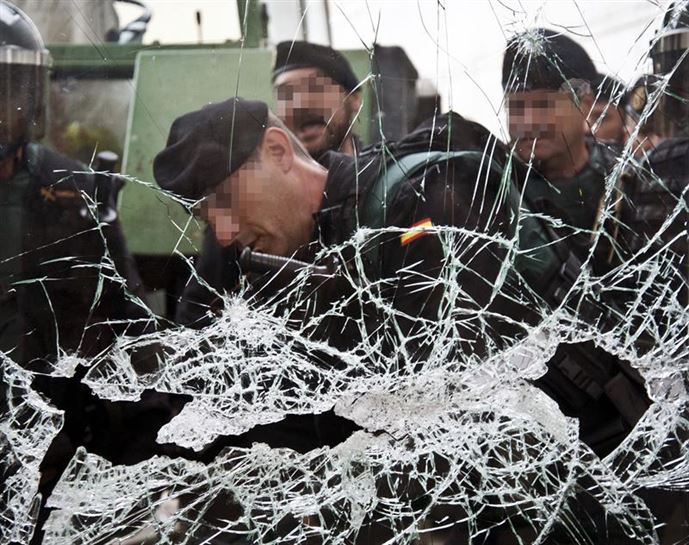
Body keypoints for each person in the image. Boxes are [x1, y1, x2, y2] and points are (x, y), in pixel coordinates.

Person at [272, 40, 363, 159]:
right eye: (287, 94)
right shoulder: (266, 177)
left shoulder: (385, 172)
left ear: (353, 98)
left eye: (315, 87)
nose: (301, 103)